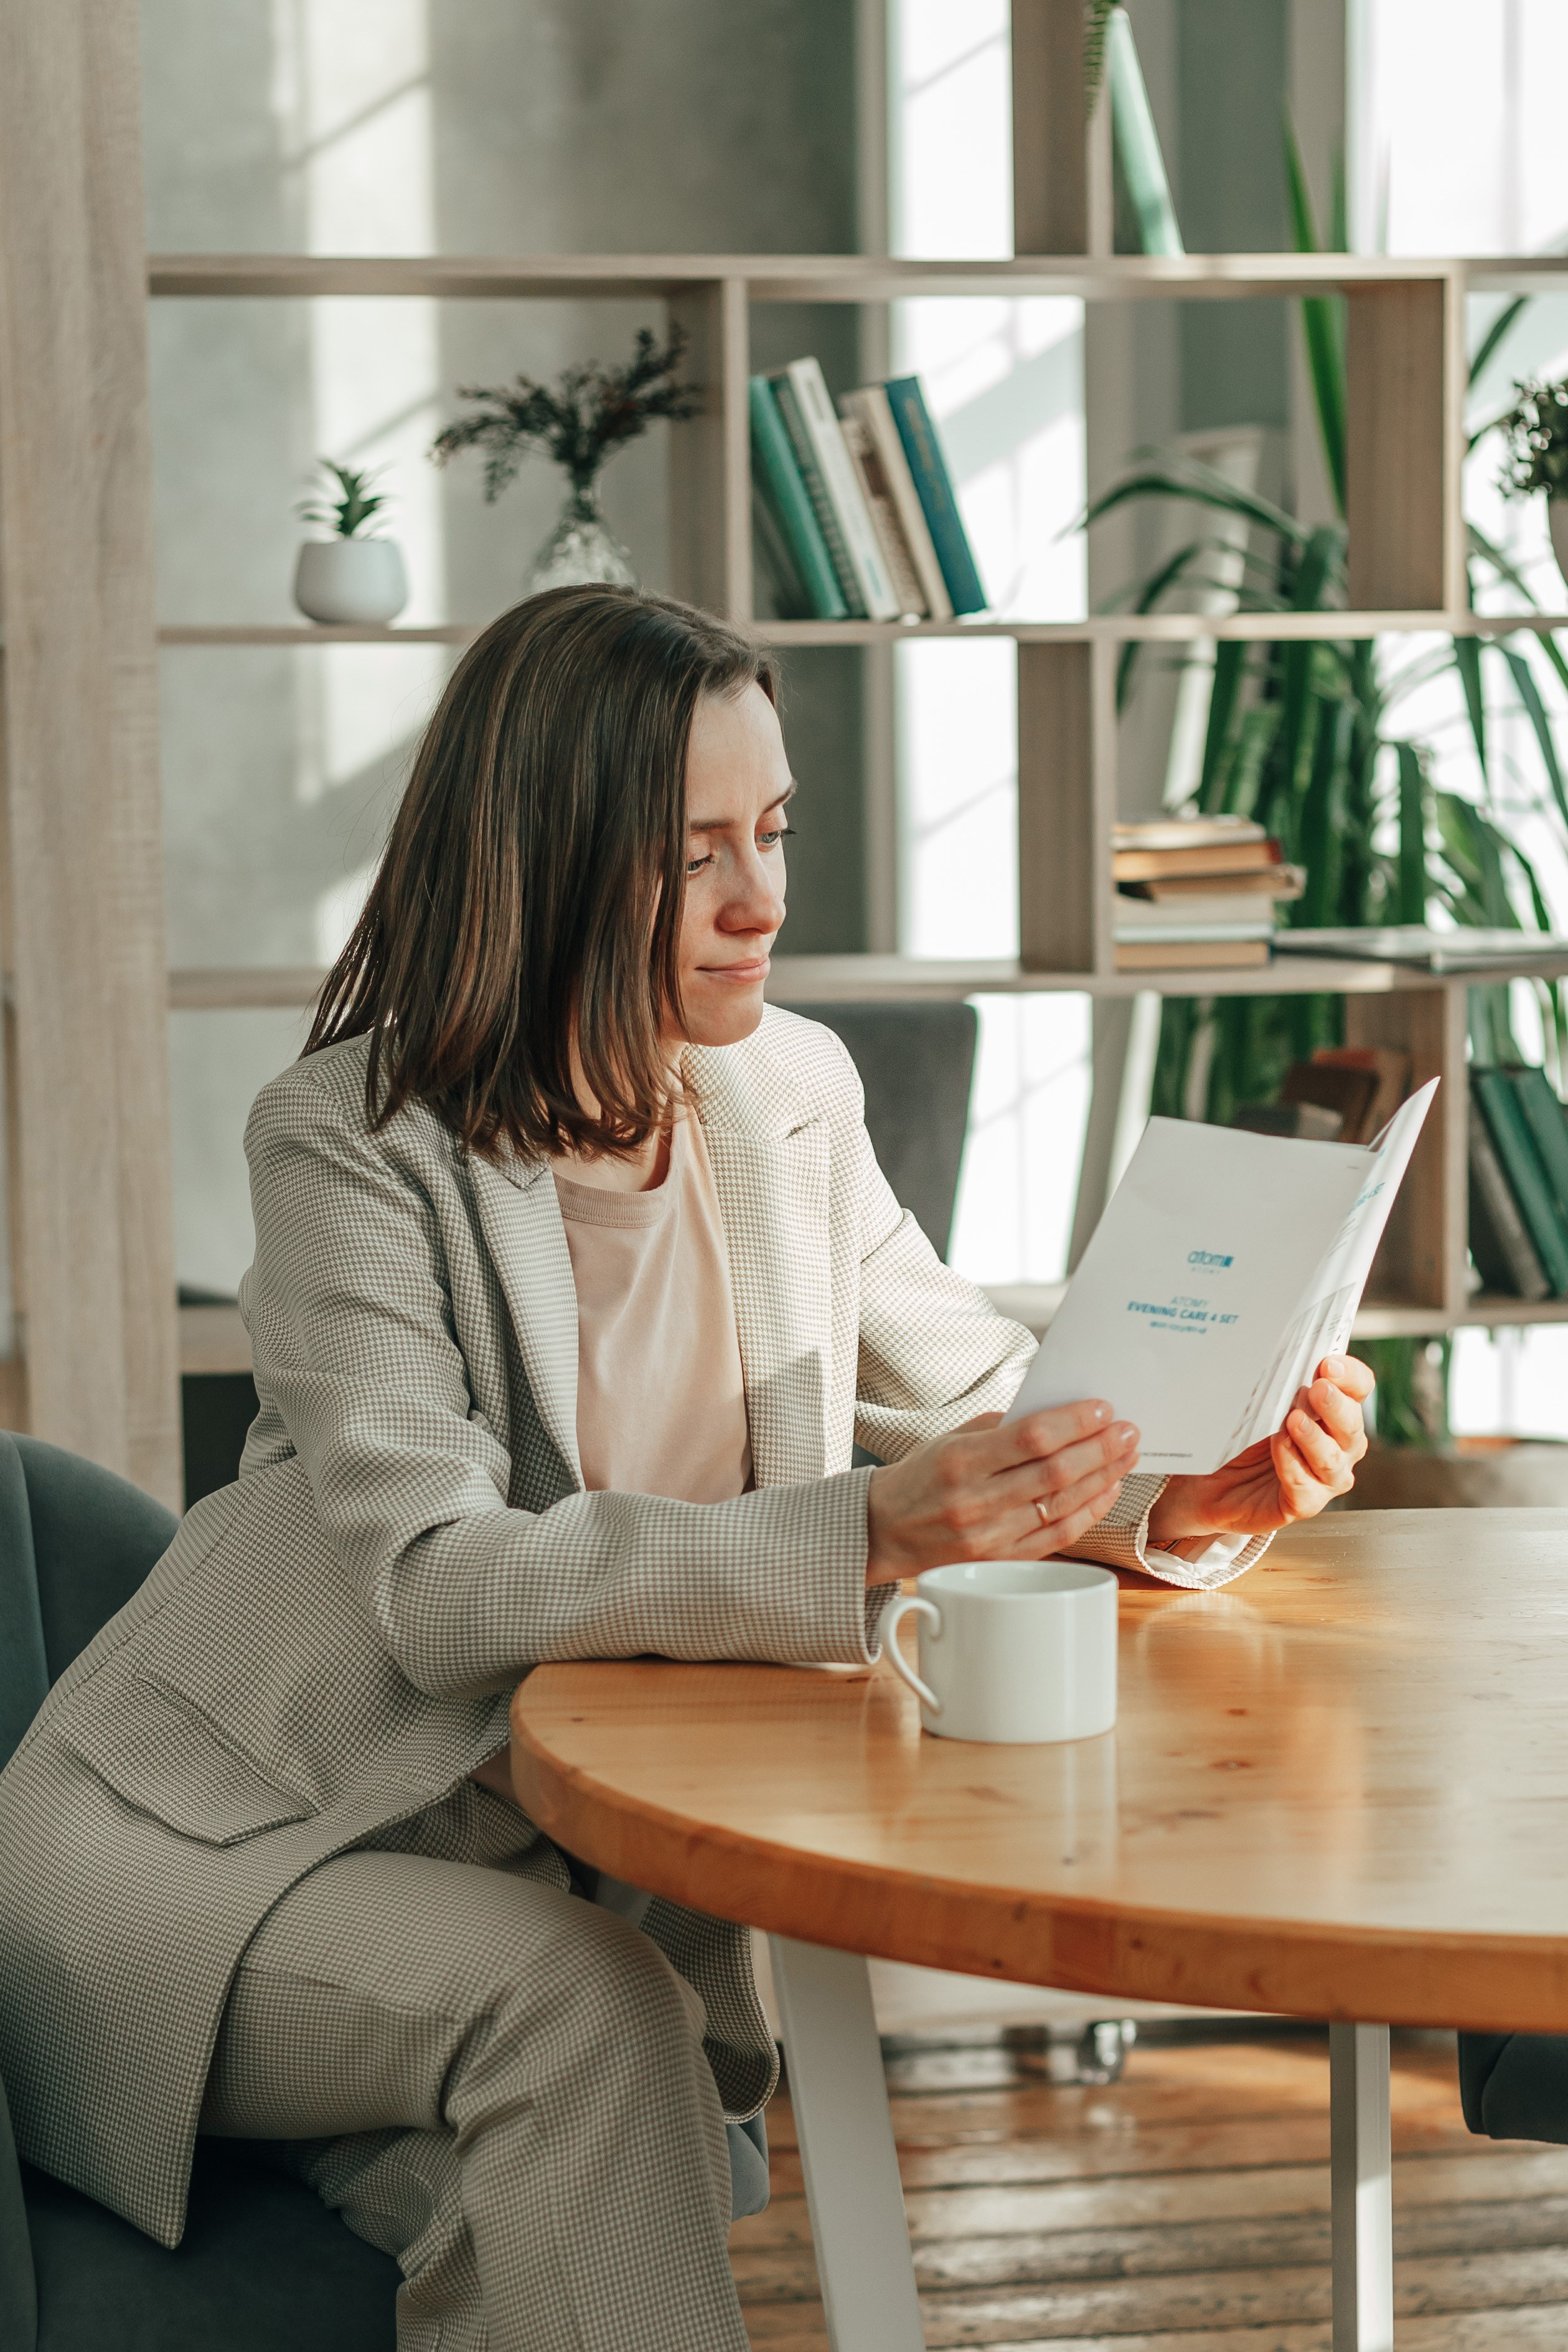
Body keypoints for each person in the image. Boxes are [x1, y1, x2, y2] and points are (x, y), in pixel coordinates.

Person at [0, 586, 1371, 2352]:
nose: (764, 900)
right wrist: (866, 1529)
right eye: (693, 853)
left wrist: (1178, 1492)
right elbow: (442, 1580)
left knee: (558, 2190)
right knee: (585, 2016)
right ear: (557, 859)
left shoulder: (788, 1093)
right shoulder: (350, 1141)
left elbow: (991, 1402)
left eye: (775, 832)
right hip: (206, 1861)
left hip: (516, 1865)